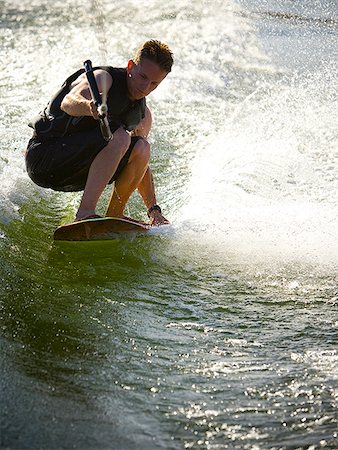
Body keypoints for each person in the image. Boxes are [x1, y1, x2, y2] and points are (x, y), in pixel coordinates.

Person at [25, 40, 173, 225]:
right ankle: (85, 213)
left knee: (142, 147)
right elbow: (69, 102)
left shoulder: (142, 115)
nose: (145, 88)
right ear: (130, 66)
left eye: (154, 83)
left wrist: (153, 209)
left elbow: (140, 165)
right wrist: (89, 107)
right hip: (45, 158)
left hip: (78, 170)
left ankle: (114, 216)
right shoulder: (103, 78)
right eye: (143, 77)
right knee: (120, 137)